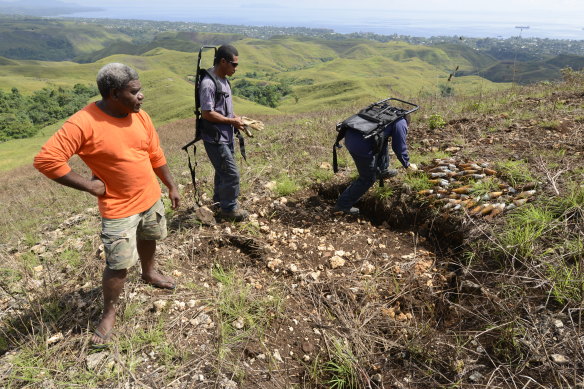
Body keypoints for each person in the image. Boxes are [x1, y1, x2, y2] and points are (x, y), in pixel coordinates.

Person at [33, 63, 180, 345]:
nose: (142, 97)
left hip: (149, 197)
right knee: (118, 264)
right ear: (114, 93)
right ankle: (109, 312)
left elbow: (155, 154)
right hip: (118, 208)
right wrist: (89, 185)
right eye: (135, 91)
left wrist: (171, 185)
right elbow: (46, 160)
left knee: (149, 236)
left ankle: (149, 273)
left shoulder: (140, 117)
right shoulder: (83, 123)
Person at [200, 44, 249, 222]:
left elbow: (224, 110)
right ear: (223, 61)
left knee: (223, 172)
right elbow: (207, 113)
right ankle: (229, 209)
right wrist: (231, 121)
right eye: (234, 64)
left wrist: (237, 119)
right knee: (231, 173)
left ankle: (218, 203)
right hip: (215, 138)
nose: (236, 68)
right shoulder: (208, 84)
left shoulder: (224, 81)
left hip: (226, 135)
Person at [335, 115, 417, 215]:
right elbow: (399, 147)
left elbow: (382, 137)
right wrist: (407, 164)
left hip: (351, 136)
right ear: (408, 122)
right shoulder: (401, 123)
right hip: (361, 144)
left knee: (383, 139)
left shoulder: (386, 115)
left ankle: (382, 170)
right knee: (368, 178)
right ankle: (342, 205)